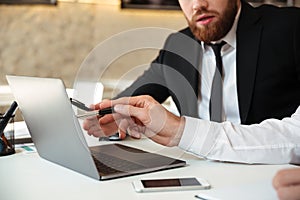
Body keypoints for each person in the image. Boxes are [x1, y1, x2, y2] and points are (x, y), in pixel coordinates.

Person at [83, 0, 300, 164]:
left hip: (269, 177)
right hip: (199, 177)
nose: (198, 5)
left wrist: (180, 129)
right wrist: (109, 121)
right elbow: (127, 104)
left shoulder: (290, 27)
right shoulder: (178, 45)